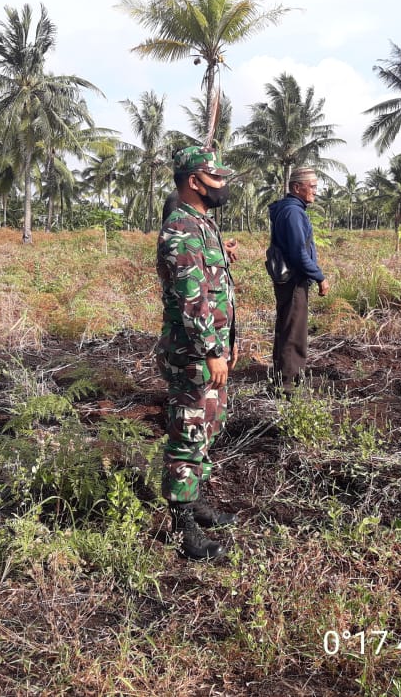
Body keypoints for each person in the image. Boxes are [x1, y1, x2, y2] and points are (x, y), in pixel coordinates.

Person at [156, 146, 238, 560]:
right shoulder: (181, 229)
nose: (223, 185)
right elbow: (192, 299)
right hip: (192, 352)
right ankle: (183, 526)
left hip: (210, 349)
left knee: (210, 424)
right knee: (188, 433)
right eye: (216, 178)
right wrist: (210, 350)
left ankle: (197, 500)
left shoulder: (202, 224)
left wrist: (227, 344)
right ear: (194, 181)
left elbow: (208, 283)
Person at [267, 166, 330, 395]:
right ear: (296, 187)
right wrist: (319, 276)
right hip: (294, 280)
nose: (315, 190)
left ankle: (281, 379)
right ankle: (288, 387)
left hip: (288, 279)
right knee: (294, 332)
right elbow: (298, 253)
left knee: (287, 328)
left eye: (315, 186)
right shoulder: (293, 212)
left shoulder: (289, 210)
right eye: (311, 186)